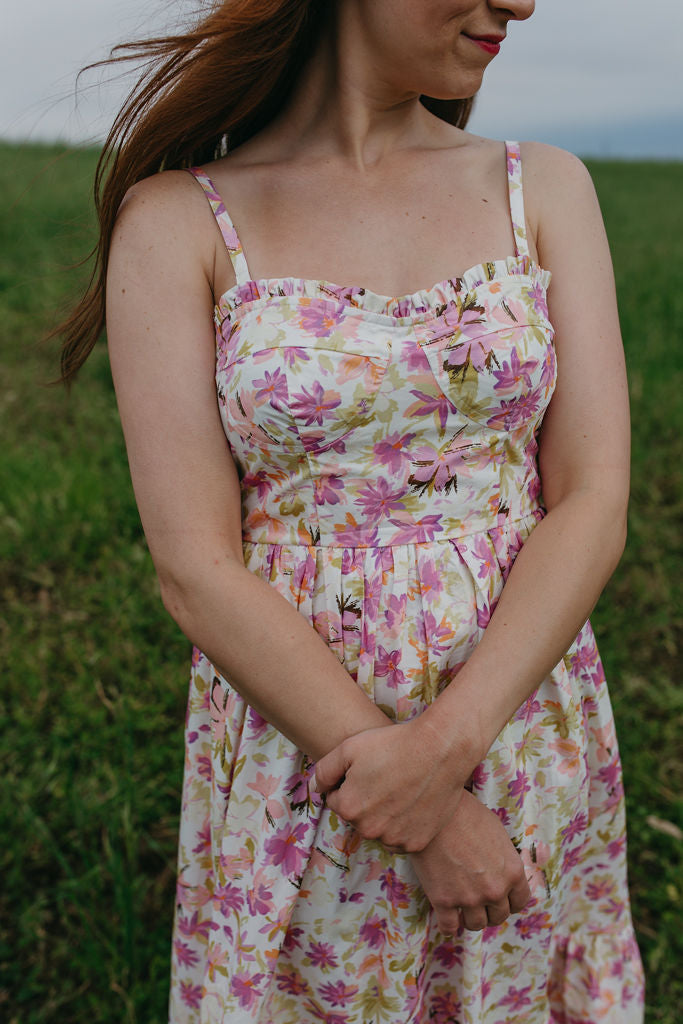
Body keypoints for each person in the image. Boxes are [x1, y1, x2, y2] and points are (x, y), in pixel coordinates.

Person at [59, 0, 645, 1020]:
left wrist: (445, 754)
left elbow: (591, 498)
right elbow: (195, 568)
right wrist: (422, 813)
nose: (519, 2)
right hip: (305, 756)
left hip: (518, 722)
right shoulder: (178, 221)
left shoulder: (541, 187)